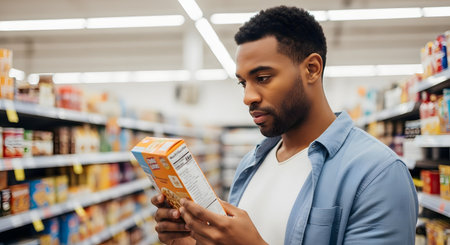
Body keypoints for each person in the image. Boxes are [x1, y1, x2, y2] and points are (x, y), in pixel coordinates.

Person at [151, 5, 418, 245]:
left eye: (263, 78)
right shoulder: (250, 165)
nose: (248, 97)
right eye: (243, 83)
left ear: (312, 69)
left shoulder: (378, 174)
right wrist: (190, 240)